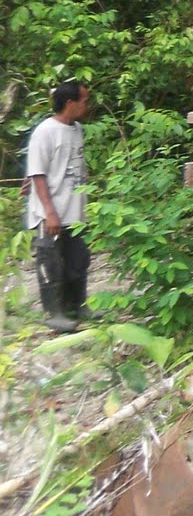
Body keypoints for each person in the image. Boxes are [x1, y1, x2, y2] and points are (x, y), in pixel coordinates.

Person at [26, 79, 93, 332]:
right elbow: (38, 174)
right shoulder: (45, 131)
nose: (87, 106)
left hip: (74, 210)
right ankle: (54, 313)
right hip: (51, 212)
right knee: (51, 263)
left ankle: (77, 306)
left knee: (78, 261)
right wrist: (49, 212)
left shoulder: (76, 129)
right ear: (70, 103)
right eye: (84, 101)